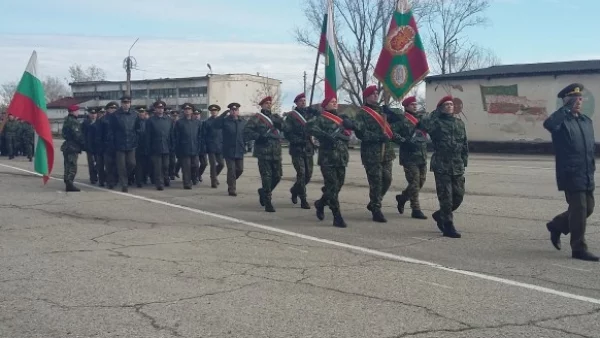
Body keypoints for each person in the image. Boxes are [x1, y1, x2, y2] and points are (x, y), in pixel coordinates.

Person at [544, 83, 598, 262]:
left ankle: (557, 225)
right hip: (571, 173)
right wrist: (565, 109)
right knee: (580, 208)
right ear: (565, 101)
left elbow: (588, 148)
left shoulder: (585, 121)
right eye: (573, 98)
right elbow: (548, 124)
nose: (578, 101)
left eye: (580, 98)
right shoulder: (560, 122)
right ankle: (578, 248)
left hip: (587, 172)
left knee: (587, 208)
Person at [417, 95, 468, 238]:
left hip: (457, 164)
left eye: (451, 104)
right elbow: (423, 123)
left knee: (458, 196)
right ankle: (448, 226)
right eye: (445, 105)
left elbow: (464, 143)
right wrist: (435, 112)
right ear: (440, 108)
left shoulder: (459, 123)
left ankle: (440, 215)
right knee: (446, 198)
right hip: (442, 164)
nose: (449, 106)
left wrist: (464, 160)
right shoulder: (436, 123)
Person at [306, 96, 354, 228]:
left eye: (335, 102)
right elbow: (309, 128)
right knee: (332, 187)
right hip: (327, 158)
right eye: (332, 102)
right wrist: (324, 135)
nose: (335, 103)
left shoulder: (341, 119)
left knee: (338, 185)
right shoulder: (321, 118)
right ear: (325, 106)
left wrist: (349, 124)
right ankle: (337, 216)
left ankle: (321, 203)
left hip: (341, 158)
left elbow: (350, 130)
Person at [353, 85, 396, 223]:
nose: (375, 96)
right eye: (372, 94)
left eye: (377, 93)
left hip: (386, 152)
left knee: (387, 179)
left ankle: (374, 203)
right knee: (376, 182)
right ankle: (376, 209)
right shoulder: (362, 114)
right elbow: (361, 134)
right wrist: (378, 137)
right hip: (371, 154)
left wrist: (392, 113)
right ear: (366, 97)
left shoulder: (383, 111)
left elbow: (400, 120)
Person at [243, 96, 284, 212]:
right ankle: (268, 202)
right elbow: (246, 131)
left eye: (270, 103)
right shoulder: (256, 118)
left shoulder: (275, 117)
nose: (268, 105)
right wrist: (259, 137)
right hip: (263, 152)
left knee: (277, 176)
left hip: (276, 152)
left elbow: (285, 128)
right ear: (261, 105)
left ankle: (263, 192)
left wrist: (280, 124)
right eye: (266, 103)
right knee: (266, 177)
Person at [393, 96, 428, 220]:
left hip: (422, 155)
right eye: (412, 104)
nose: (415, 106)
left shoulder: (420, 119)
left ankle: (402, 198)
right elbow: (392, 133)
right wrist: (404, 142)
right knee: (414, 183)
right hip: (409, 157)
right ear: (406, 106)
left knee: (420, 182)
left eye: (415, 104)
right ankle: (416, 209)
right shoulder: (402, 120)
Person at [283, 93, 318, 209]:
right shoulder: (292, 116)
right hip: (297, 149)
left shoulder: (309, 114)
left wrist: (315, 110)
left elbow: (319, 119)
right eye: (301, 101)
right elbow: (287, 133)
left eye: (304, 100)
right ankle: (303, 198)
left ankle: (294, 190)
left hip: (308, 148)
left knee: (308, 175)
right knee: (302, 174)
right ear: (296, 103)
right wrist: (297, 140)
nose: (303, 102)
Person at [107, 95, 139, 192]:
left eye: (128, 102)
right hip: (119, 144)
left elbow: (137, 129)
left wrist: (135, 140)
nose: (126, 104)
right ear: (121, 103)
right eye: (124, 103)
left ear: (130, 103)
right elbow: (111, 130)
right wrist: (113, 143)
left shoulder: (134, 114)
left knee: (132, 163)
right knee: (121, 165)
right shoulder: (115, 115)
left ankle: (121, 177)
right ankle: (124, 184)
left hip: (131, 144)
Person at [213, 103, 247, 196]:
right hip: (229, 149)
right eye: (232, 110)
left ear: (238, 111)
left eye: (236, 110)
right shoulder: (225, 121)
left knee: (240, 169)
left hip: (239, 149)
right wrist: (223, 114)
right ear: (230, 111)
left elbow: (246, 134)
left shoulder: (242, 121)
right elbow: (215, 125)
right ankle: (232, 188)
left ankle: (230, 180)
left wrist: (247, 145)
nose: (234, 111)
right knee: (231, 169)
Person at [145, 100, 173, 190]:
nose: (160, 109)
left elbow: (171, 134)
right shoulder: (150, 121)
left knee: (166, 166)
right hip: (155, 147)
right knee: (158, 167)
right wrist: (148, 147)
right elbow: (148, 135)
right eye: (158, 108)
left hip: (166, 146)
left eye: (161, 108)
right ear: (155, 109)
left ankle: (166, 179)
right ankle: (159, 184)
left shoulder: (168, 120)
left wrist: (172, 146)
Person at [173, 103, 202, 189]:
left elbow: (200, 136)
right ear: (183, 111)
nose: (187, 111)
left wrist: (199, 147)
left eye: (189, 109)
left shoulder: (197, 122)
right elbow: (176, 137)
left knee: (196, 166)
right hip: (184, 149)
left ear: (192, 111)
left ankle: (194, 177)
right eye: (186, 109)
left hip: (195, 148)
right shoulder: (179, 123)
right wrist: (177, 150)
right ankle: (186, 183)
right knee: (186, 167)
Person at [61, 105, 84, 192]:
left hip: (66, 145)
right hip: (72, 146)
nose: (78, 113)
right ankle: (70, 183)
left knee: (67, 165)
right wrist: (83, 143)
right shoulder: (74, 122)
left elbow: (63, 134)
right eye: (77, 111)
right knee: (72, 165)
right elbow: (77, 135)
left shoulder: (66, 120)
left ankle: (67, 181)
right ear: (73, 112)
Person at [204, 104, 225, 188]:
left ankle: (214, 176)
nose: (214, 112)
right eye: (212, 111)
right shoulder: (207, 122)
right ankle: (213, 181)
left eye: (215, 111)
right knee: (212, 164)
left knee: (221, 164)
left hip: (220, 145)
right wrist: (206, 145)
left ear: (218, 111)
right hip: (211, 145)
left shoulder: (222, 121)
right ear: (210, 112)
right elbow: (204, 135)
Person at [81, 107, 99, 184]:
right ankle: (93, 178)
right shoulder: (85, 123)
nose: (93, 115)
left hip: (98, 146)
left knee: (98, 163)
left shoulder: (99, 122)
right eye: (92, 113)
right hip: (89, 146)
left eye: (94, 113)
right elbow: (82, 135)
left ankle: (99, 175)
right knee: (91, 163)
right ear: (89, 114)